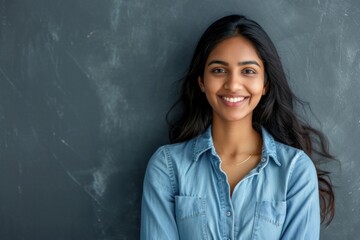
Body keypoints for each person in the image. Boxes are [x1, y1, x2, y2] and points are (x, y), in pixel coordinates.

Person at [141, 15, 335, 239]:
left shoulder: (295, 171)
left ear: (265, 84)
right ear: (201, 81)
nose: (233, 84)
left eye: (248, 71)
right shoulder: (167, 167)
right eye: (219, 70)